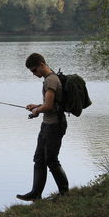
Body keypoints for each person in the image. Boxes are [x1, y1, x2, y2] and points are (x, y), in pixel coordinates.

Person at [17, 53, 69, 201]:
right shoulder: (50, 79)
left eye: (34, 70)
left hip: (55, 125)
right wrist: (37, 107)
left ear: (41, 65)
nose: (34, 74)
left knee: (51, 160)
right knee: (39, 159)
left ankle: (64, 193)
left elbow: (49, 105)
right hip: (47, 124)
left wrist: (37, 110)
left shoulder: (51, 81)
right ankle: (36, 193)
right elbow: (50, 105)